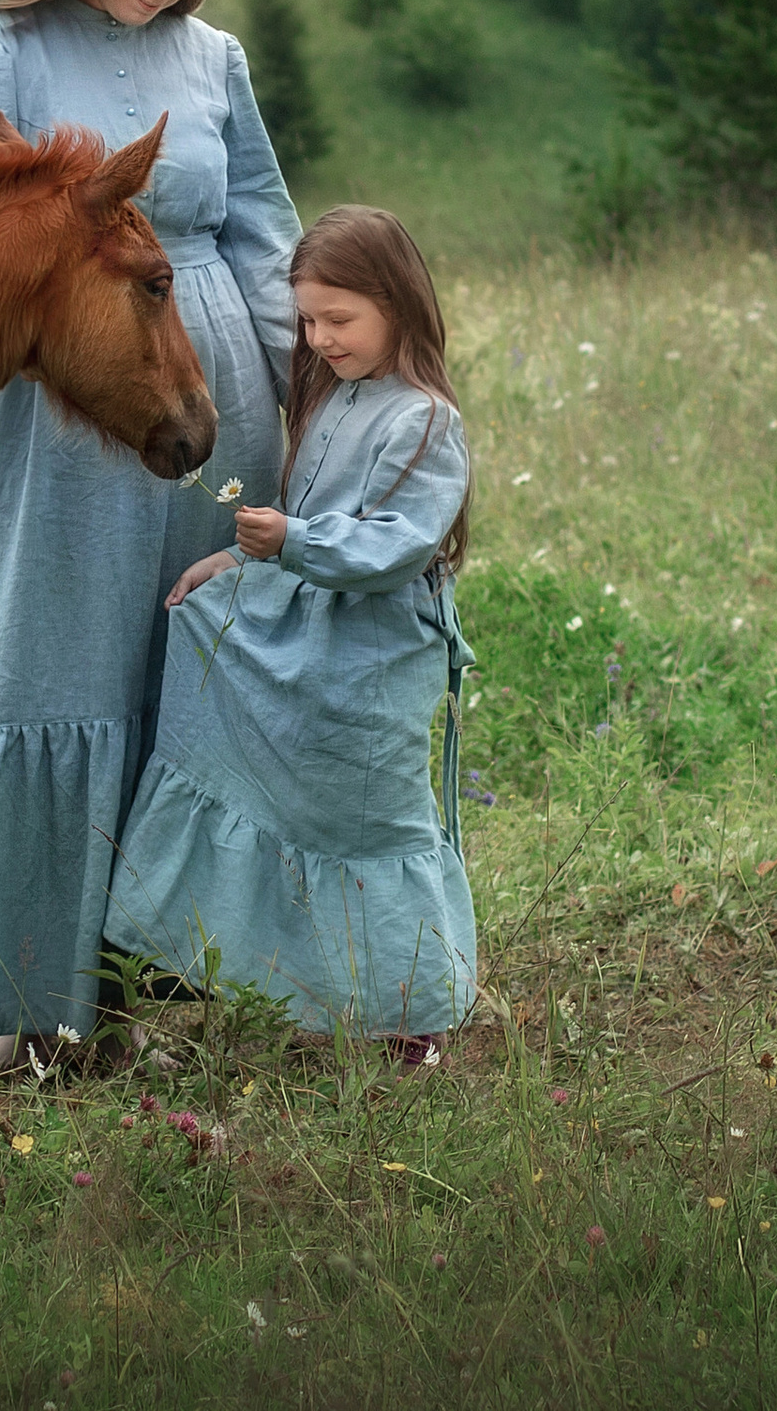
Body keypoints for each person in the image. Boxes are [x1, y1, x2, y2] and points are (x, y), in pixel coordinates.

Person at [0, 0, 299, 1064]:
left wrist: (307, 407)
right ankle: (13, 1000)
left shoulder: (217, 61)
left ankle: (164, 999)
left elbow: (261, 239)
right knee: (45, 673)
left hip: (210, 388)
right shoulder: (5, 51)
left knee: (192, 685)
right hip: (69, 411)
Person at [106, 204, 477, 1044]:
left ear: (400, 305)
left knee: (363, 819)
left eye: (339, 319)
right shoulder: (334, 399)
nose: (318, 339)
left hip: (369, 659)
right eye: (307, 321)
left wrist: (293, 540)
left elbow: (390, 547)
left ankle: (406, 1017)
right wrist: (232, 564)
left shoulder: (424, 420)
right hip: (309, 634)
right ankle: (228, 964)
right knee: (243, 741)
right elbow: (308, 518)